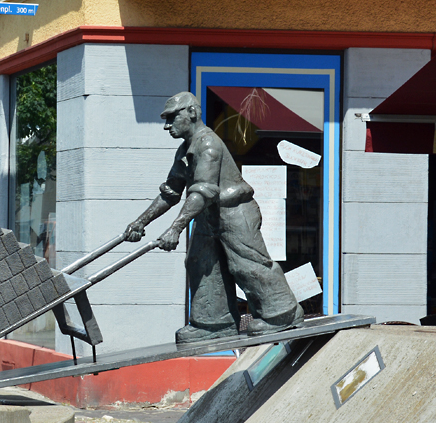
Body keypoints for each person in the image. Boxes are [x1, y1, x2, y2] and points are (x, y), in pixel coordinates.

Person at [122, 92, 303, 344]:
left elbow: (202, 191)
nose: (166, 126)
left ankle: (282, 313)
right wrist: (140, 222)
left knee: (247, 264)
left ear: (192, 113)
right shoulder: (185, 149)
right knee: (200, 263)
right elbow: (172, 192)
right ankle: (214, 322)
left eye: (172, 118)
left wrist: (175, 229)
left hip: (234, 211)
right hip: (208, 214)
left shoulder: (208, 144)